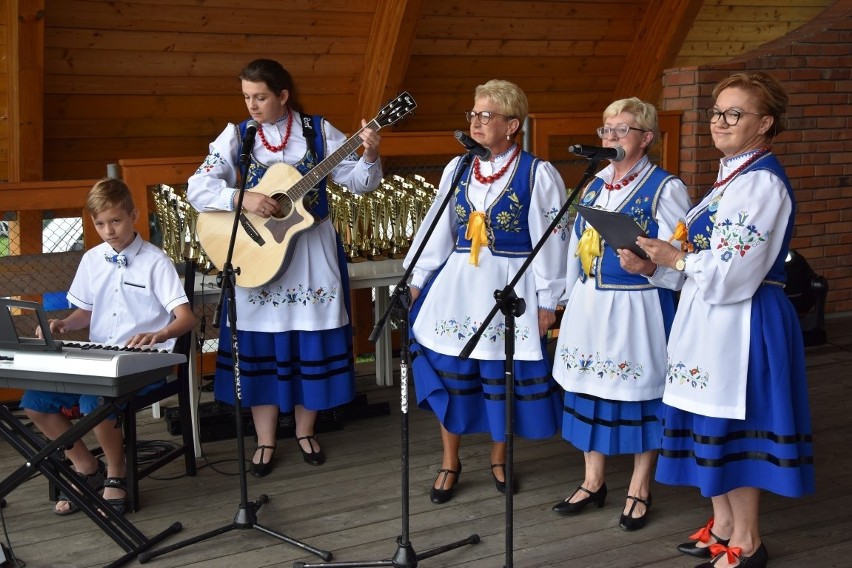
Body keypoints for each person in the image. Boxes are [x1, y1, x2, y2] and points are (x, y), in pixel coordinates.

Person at [638, 72, 814, 568]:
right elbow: (701, 263)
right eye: (716, 112)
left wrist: (675, 259)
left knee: (733, 426)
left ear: (765, 123)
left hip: (746, 322)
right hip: (710, 320)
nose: (719, 121)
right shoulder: (731, 176)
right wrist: (656, 263)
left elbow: (734, 273)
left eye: (733, 113)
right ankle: (723, 525)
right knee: (706, 421)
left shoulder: (760, 183)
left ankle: (749, 540)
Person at [187, 59, 383, 477]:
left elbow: (361, 183)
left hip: (311, 252)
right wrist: (244, 199)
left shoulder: (317, 131)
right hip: (258, 255)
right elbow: (197, 187)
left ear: (282, 96)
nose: (252, 105)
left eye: (260, 97)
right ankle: (265, 438)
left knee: (305, 338)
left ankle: (306, 431)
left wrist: (370, 151)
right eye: (246, 97)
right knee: (261, 342)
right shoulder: (237, 136)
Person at [404, 79, 569, 504]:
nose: (476, 122)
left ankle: (500, 458)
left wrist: (549, 300)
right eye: (473, 114)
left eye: (486, 115)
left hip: (508, 289)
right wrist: (419, 276)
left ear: (512, 124)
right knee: (452, 374)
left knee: (500, 378)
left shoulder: (538, 172)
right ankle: (449, 460)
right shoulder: (457, 168)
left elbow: (552, 240)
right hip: (458, 289)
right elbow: (438, 228)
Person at [549, 98, 692, 531]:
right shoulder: (593, 184)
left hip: (638, 305)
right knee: (588, 388)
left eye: (621, 130)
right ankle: (593, 482)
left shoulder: (666, 188)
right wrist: (565, 296)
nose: (610, 138)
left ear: (646, 138)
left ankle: (639, 487)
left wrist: (648, 267)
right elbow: (575, 243)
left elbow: (680, 258)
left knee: (641, 395)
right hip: (591, 303)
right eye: (606, 130)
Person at [22, 177, 196, 516]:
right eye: (100, 223)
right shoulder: (91, 259)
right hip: (101, 360)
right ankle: (86, 467)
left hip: (145, 362)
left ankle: (116, 473)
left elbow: (185, 318)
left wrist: (159, 334)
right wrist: (63, 325)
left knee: (94, 402)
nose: (108, 230)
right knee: (35, 402)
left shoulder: (155, 260)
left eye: (115, 221)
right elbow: (85, 312)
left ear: (133, 215)